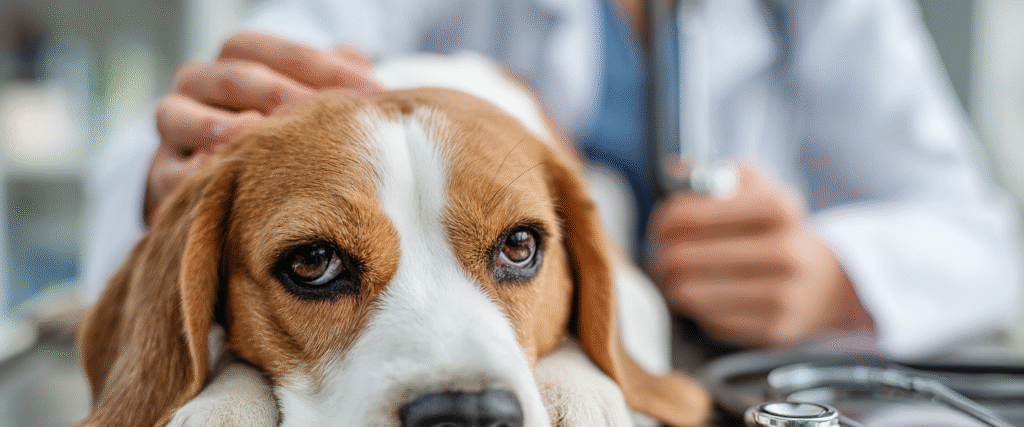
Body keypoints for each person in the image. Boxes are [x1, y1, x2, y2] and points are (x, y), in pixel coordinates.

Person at [82, 0, 1023, 358]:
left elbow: (980, 236)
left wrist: (832, 274)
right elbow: (178, 130)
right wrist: (187, 168)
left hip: (725, 393)